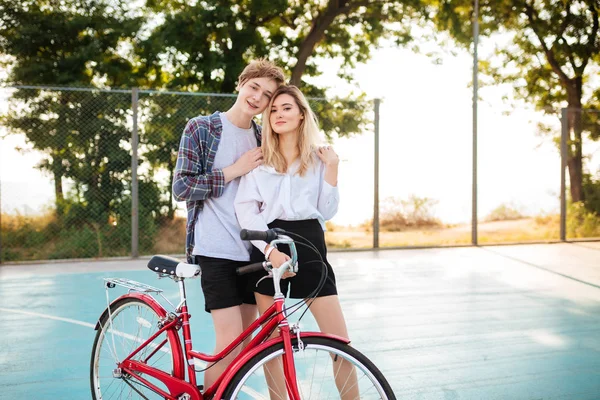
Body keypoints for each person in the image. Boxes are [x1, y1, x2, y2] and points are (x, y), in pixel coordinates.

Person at [234, 85, 358, 399]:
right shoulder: (259, 162)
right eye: (273, 110)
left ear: (302, 114)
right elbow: (245, 210)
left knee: (340, 345)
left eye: (286, 108)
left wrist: (333, 168)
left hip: (311, 247)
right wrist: (270, 250)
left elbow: (326, 211)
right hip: (270, 247)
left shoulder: (319, 160)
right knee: (271, 346)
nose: (278, 115)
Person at [172, 59, 285, 390]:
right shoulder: (202, 128)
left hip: (253, 252)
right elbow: (181, 188)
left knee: (247, 345)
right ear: (241, 83)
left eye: (266, 95)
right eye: (254, 87)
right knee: (230, 342)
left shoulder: (265, 138)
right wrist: (233, 170)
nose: (257, 98)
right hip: (214, 248)